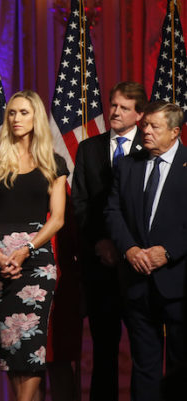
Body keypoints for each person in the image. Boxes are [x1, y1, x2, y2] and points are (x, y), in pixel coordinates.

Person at [0, 90, 68, 401]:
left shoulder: (53, 163)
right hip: (1, 258)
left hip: (37, 260)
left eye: (24, 113)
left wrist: (26, 249)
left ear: (36, 118)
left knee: (32, 343)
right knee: (11, 343)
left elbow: (57, 219)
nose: (16, 119)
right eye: (12, 113)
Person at [104, 101, 187, 401]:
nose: (146, 131)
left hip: (177, 284)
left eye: (154, 126)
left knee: (181, 368)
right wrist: (130, 250)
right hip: (137, 284)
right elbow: (112, 212)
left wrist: (168, 252)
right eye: (145, 125)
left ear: (176, 132)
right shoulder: (126, 165)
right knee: (145, 367)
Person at [71, 81, 146, 401]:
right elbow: (81, 203)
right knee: (103, 351)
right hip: (101, 265)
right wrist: (100, 243)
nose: (114, 112)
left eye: (124, 107)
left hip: (141, 266)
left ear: (139, 115)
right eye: (113, 105)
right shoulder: (89, 147)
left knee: (146, 350)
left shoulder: (152, 148)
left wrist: (131, 248)